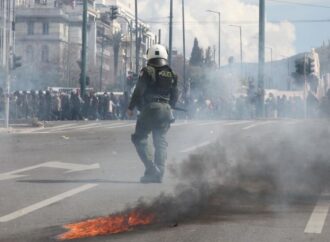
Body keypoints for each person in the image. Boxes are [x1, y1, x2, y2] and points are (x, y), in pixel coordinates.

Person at [127, 44, 179, 183]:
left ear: (150, 56)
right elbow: (175, 94)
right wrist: (170, 107)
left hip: (150, 108)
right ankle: (159, 172)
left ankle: (151, 168)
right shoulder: (172, 74)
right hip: (166, 110)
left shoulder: (147, 71)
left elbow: (139, 90)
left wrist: (131, 107)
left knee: (139, 138)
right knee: (160, 141)